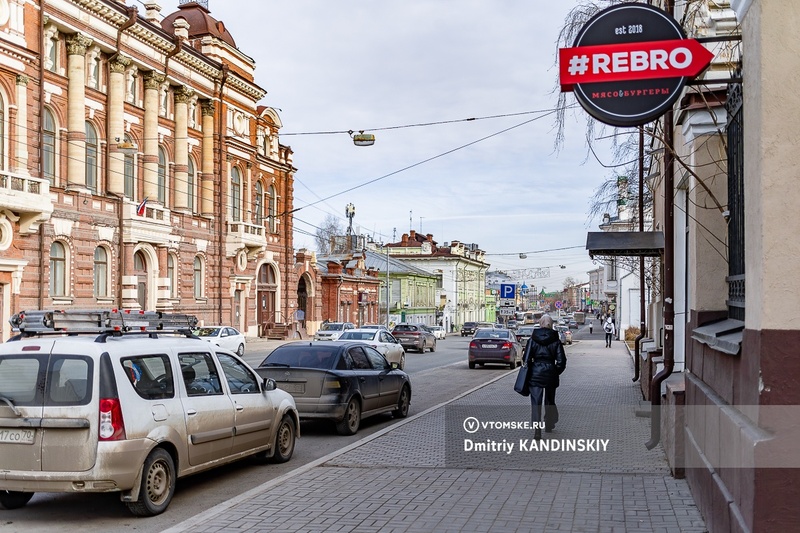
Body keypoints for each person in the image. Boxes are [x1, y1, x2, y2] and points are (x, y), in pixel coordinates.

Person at [525, 314, 567, 440]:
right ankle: (549, 424)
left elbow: (526, 359)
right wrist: (555, 372)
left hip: (535, 374)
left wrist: (532, 370)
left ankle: (537, 431)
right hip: (550, 373)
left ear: (540, 324)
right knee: (549, 401)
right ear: (551, 324)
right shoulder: (556, 340)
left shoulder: (532, 339)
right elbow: (561, 361)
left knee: (536, 403)